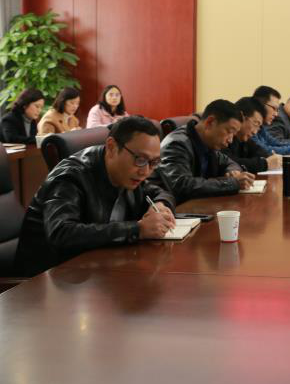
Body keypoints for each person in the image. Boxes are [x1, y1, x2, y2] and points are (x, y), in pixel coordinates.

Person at [14, 116, 177, 277]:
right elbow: (61, 233)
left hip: (96, 272)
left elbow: (159, 192)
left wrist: (160, 204)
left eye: (153, 162)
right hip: (48, 280)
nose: (146, 171)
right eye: (140, 159)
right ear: (112, 147)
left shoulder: (128, 174)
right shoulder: (70, 176)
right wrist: (137, 229)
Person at [153, 99, 254, 204]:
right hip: (171, 209)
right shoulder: (176, 144)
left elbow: (229, 162)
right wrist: (232, 183)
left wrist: (233, 172)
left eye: (233, 134)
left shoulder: (207, 143)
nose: (230, 140)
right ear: (210, 122)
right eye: (229, 131)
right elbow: (182, 186)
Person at [222, 97, 282, 173]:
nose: (255, 132)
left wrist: (272, 159)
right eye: (256, 124)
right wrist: (265, 163)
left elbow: (261, 153)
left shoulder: (244, 139)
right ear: (242, 117)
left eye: (259, 127)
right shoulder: (224, 137)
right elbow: (230, 162)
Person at [252, 86, 290, 156]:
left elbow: (275, 142)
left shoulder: (261, 127)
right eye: (274, 108)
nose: (276, 114)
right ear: (260, 105)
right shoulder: (250, 126)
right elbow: (263, 150)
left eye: (277, 110)